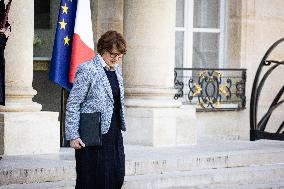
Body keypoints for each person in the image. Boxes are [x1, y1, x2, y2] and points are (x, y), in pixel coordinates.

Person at [65, 30, 127, 189]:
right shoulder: (87, 69)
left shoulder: (117, 70)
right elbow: (73, 103)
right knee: (92, 179)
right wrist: (73, 135)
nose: (116, 59)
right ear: (103, 50)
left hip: (113, 133)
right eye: (113, 54)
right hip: (92, 134)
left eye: (120, 55)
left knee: (116, 176)